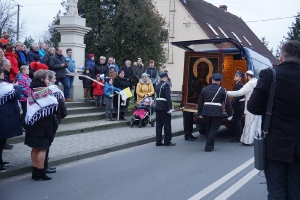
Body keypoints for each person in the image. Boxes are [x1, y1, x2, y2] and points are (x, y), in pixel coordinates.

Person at [248, 41, 300, 199]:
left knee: (276, 193)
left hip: (274, 146)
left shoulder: (270, 75)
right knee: (296, 192)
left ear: (281, 57)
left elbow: (253, 107)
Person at [24, 70, 58, 181]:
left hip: (32, 122)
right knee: (43, 149)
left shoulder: (31, 89)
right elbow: (54, 104)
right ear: (42, 79)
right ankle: (41, 172)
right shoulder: (44, 91)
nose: (48, 81)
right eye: (47, 79)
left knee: (35, 148)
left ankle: (35, 171)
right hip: (43, 124)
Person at [198, 73, 233, 152]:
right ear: (219, 81)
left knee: (208, 128)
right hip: (216, 112)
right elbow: (227, 103)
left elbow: (200, 102)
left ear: (212, 80)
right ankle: (209, 146)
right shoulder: (222, 90)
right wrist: (230, 114)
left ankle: (209, 144)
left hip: (206, 111)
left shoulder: (204, 89)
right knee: (213, 129)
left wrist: (199, 113)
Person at [227, 70, 260, 146]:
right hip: (256, 106)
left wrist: (225, 92)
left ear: (248, 76)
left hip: (249, 106)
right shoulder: (257, 82)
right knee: (254, 125)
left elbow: (238, 93)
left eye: (245, 76)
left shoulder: (249, 84)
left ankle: (248, 141)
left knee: (248, 125)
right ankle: (253, 139)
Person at [45, 70, 67, 174]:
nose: (55, 80)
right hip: (52, 117)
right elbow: (61, 103)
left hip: (45, 117)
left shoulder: (40, 88)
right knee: (47, 142)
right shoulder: (53, 89)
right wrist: (63, 114)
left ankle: (44, 164)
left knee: (46, 143)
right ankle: (44, 165)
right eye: (54, 78)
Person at [0, 68, 22, 172]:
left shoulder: (5, 86)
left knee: (2, 141)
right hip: (3, 117)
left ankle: (1, 161)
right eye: (2, 73)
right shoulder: (4, 87)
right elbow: (15, 95)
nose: (3, 75)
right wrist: (16, 87)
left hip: (4, 116)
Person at [155, 72, 175, 146]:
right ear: (166, 77)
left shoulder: (157, 85)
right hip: (164, 107)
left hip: (158, 106)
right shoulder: (166, 85)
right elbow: (168, 97)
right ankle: (167, 141)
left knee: (159, 125)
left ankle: (158, 141)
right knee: (167, 125)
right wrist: (170, 107)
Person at [228, 70, 245, 143]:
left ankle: (238, 137)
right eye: (235, 75)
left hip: (239, 106)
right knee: (237, 121)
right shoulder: (238, 84)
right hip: (238, 105)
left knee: (237, 121)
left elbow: (237, 97)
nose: (235, 76)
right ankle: (238, 136)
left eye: (237, 75)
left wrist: (231, 107)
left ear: (240, 77)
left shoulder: (240, 85)